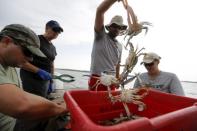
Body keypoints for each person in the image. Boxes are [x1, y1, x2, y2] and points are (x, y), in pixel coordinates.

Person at [0, 24, 67, 131]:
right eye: (27, 52)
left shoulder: (9, 64)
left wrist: (50, 103)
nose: (30, 59)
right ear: (6, 42)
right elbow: (21, 106)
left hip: (14, 120)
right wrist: (61, 108)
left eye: (33, 55)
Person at [89, 0, 127, 91]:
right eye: (114, 25)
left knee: (110, 104)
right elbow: (100, 11)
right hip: (97, 77)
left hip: (112, 80)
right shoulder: (100, 35)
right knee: (95, 103)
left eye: (119, 27)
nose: (116, 28)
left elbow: (117, 64)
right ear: (109, 27)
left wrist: (117, 78)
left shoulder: (120, 46)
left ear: (121, 29)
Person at [20, 20, 63, 98]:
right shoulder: (36, 40)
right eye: (55, 29)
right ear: (46, 28)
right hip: (31, 78)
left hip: (45, 80)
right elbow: (21, 61)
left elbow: (51, 63)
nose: (57, 33)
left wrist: (51, 79)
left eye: (59, 31)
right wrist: (39, 71)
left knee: (42, 99)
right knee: (31, 102)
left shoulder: (53, 48)